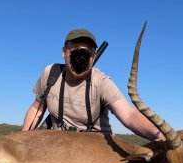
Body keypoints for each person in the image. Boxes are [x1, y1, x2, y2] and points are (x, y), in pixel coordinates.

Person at [22, 28, 162, 141]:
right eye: (74, 51)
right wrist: (22, 139)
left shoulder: (101, 82)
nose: (80, 57)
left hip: (94, 146)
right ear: (63, 52)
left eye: (86, 53)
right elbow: (37, 109)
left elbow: (129, 114)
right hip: (59, 144)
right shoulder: (50, 74)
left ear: (93, 57)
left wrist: (159, 135)